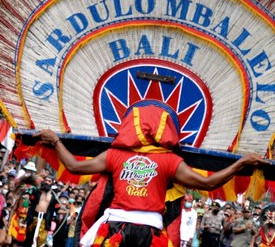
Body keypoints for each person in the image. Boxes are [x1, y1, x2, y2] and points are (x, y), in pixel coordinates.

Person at [37, 101, 269, 247]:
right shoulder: (167, 160)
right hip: (144, 233)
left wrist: (56, 141)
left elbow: (75, 167)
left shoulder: (116, 155)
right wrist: (240, 163)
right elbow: (208, 183)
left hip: (121, 229)